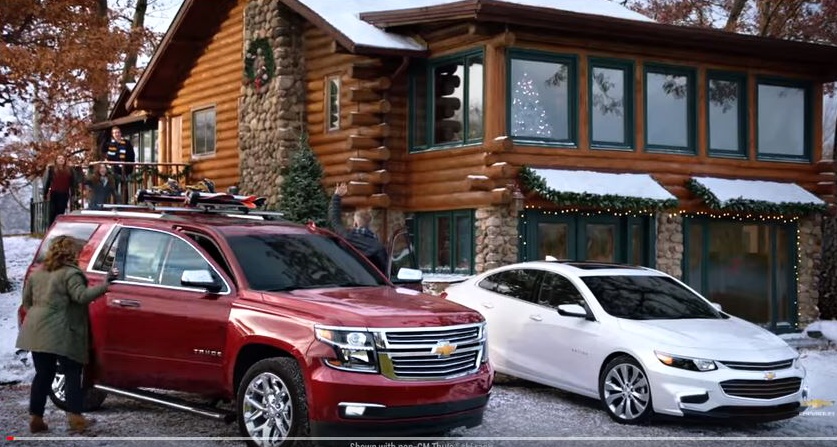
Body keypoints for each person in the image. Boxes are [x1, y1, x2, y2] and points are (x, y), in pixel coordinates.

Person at [15, 235, 118, 434]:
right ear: (71, 253)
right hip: (63, 331)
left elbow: (27, 302)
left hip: (36, 331)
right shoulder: (71, 274)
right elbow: (82, 296)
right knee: (72, 373)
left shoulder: (38, 273)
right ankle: (76, 419)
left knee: (43, 375)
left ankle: (36, 419)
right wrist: (106, 285)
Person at [328, 182, 388, 274]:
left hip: (349, 281)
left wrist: (337, 196)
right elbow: (387, 273)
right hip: (373, 284)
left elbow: (334, 219)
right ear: (369, 223)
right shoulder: (379, 247)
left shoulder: (346, 237)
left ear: (355, 223)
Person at [42, 155, 78, 227]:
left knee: (61, 211)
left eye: (62, 158)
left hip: (64, 193)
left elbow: (73, 182)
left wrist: (73, 193)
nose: (61, 160)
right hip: (54, 193)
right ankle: (51, 227)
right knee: (52, 211)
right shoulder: (52, 169)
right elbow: (48, 181)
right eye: (59, 158)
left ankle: (58, 226)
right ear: (56, 160)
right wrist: (45, 193)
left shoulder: (69, 170)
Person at [101, 126, 135, 202]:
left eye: (118, 132)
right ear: (112, 134)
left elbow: (131, 156)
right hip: (113, 170)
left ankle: (125, 204)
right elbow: (103, 149)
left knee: (124, 188)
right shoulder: (109, 143)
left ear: (121, 133)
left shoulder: (126, 143)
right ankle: (115, 204)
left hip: (124, 169)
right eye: (115, 133)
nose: (117, 134)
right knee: (113, 188)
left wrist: (129, 168)